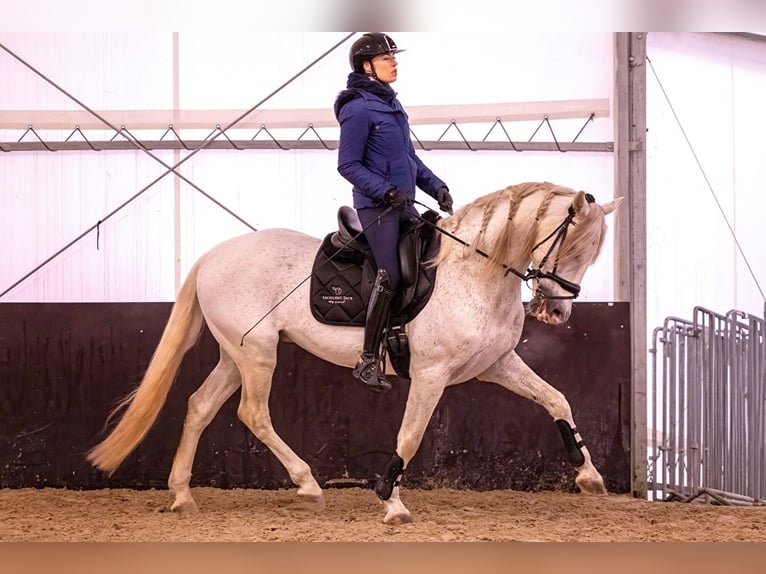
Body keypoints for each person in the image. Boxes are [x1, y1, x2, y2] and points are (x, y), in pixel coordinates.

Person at [333, 32, 454, 392]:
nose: (394, 62)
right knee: (390, 274)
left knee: (431, 257)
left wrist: (437, 187)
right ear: (367, 66)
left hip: (403, 204)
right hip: (376, 207)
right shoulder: (357, 108)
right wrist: (384, 191)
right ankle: (368, 359)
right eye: (387, 58)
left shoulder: (392, 106)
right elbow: (348, 165)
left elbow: (409, 160)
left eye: (394, 57)